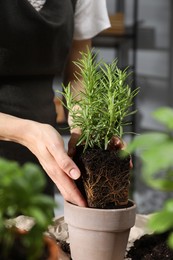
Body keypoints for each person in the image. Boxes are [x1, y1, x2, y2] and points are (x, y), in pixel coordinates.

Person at [0, 0, 110, 207]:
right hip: (24, 132)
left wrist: (84, 121)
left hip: (42, 146)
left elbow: (79, 68)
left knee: (33, 230)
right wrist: (25, 132)